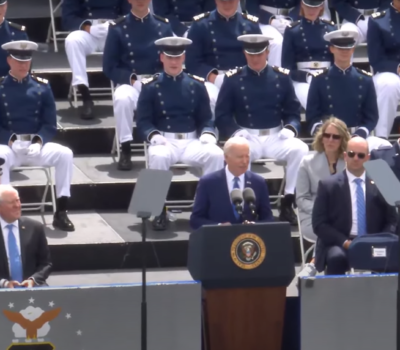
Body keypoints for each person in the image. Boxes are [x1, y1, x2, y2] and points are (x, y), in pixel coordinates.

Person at [215, 34, 309, 225]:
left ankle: (288, 200)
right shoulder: (234, 79)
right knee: (230, 155)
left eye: (259, 54)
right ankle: (241, 205)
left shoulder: (280, 77)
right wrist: (235, 132)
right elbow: (221, 114)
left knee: (301, 149)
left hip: (275, 135)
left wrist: (291, 127)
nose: (255, 58)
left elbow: (292, 111)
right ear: (244, 53)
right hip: (247, 136)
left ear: (267, 52)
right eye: (250, 54)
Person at [136, 37, 224, 231]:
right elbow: (142, 120)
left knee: (216, 154)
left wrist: (208, 132)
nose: (174, 62)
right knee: (158, 156)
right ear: (162, 58)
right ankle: (155, 209)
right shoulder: (150, 86)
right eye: (169, 58)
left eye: (178, 58)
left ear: (184, 57)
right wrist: (153, 135)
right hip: (165, 140)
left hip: (191, 140)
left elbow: (206, 118)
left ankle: (208, 209)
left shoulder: (196, 85)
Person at [0, 41, 75, 232]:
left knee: (65, 154)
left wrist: (39, 140)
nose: (23, 65)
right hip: (11, 146)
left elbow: (49, 124)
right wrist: (11, 139)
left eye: (26, 61)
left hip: (35, 144)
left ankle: (61, 211)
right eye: (18, 61)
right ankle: (5, 211)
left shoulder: (41, 87)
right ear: (9, 60)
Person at [103, 0, 174, 170]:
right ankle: (126, 148)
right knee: (122, 98)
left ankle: (172, 148)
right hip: (132, 82)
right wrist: (132, 80)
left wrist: (158, 79)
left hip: (157, 83)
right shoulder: (118, 28)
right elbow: (109, 66)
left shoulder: (163, 26)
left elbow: (171, 59)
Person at [312, 137, 398, 275]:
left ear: (368, 158)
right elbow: (319, 224)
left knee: (393, 258)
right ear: (345, 156)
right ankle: (337, 297)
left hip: (375, 240)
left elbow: (393, 219)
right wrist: (345, 242)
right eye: (351, 154)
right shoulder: (328, 185)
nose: (356, 158)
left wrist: (382, 240)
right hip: (341, 242)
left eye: (361, 155)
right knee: (336, 258)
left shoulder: (383, 179)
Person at [306, 28, 391, 151]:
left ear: (353, 49)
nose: (344, 51)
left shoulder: (365, 79)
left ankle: (373, 170)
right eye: (340, 48)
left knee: (385, 148)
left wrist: (360, 134)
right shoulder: (319, 79)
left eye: (348, 48)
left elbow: (371, 117)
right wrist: (327, 136)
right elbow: (312, 116)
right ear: (332, 49)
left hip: (358, 136)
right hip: (331, 139)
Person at [185, 0, 263, 114]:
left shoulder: (250, 25)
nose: (227, 4)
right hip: (212, 80)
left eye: (230, 1)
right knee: (210, 98)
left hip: (243, 77)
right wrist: (214, 78)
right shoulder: (200, 25)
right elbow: (192, 62)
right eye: (223, 1)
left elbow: (258, 58)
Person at [296, 117, 350, 278]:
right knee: (325, 227)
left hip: (343, 218)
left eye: (336, 137)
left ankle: (314, 262)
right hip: (313, 216)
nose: (330, 140)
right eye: (327, 135)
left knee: (333, 228)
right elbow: (301, 198)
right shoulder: (306, 163)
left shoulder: (350, 162)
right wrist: (321, 212)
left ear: (343, 140)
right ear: (321, 137)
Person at [63, 0, 131, 119]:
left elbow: (129, 12)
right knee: (72, 40)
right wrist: (88, 27)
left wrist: (117, 26)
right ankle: (85, 95)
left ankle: (124, 95)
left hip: (114, 29)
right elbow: (68, 18)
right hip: (88, 31)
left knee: (129, 41)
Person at [190, 137, 274, 230]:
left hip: (248, 241)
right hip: (218, 240)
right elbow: (196, 219)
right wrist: (218, 227)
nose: (245, 161)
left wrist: (254, 225)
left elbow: (268, 218)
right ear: (226, 157)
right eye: (240, 157)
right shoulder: (208, 182)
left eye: (247, 156)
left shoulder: (258, 182)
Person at [282, 0, 336, 109]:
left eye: (315, 7)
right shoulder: (292, 30)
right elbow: (287, 67)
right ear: (302, 5)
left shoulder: (331, 29)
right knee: (311, 99)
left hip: (327, 76)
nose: (312, 10)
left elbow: (335, 61)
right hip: (302, 79)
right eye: (308, 7)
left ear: (321, 7)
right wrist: (306, 76)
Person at [0, 185, 51, 288]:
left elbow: (45, 263)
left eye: (18, 201)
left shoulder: (35, 227)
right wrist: (4, 283)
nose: (17, 205)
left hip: (32, 287)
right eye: (11, 202)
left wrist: (33, 280)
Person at [367, 1, 400, 139]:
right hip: (389, 72)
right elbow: (376, 59)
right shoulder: (378, 20)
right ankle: (381, 139)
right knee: (390, 84)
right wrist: (397, 68)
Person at [0, 0, 28, 77]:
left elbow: (25, 66)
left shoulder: (18, 34)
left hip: (8, 85)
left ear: (6, 5)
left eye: (1, 6)